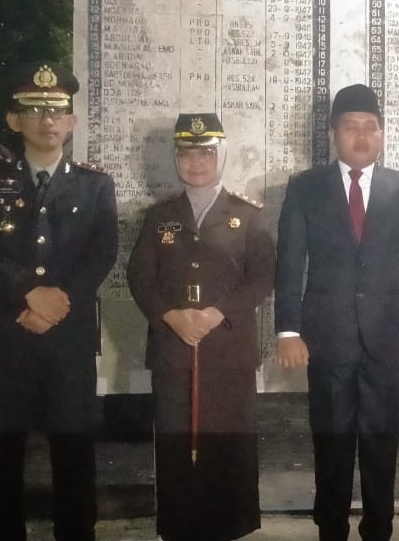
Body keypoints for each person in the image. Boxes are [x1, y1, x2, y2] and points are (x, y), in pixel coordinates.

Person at [0, 62, 117, 541]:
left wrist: (57, 304)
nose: (48, 120)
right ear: (14, 120)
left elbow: (102, 253)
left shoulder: (95, 185)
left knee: (74, 451)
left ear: (72, 121)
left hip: (68, 338)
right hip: (8, 332)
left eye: (57, 111)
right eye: (35, 110)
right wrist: (28, 293)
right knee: (3, 453)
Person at [274, 84, 399, 541]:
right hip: (327, 338)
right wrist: (288, 330)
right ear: (332, 134)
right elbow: (290, 262)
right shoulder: (305, 187)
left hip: (386, 338)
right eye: (350, 127)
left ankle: (379, 530)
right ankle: (331, 531)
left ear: (381, 134)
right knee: (331, 446)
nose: (361, 136)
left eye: (370, 127)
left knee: (382, 446)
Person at [127, 112, 274, 541]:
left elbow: (263, 277)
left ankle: (230, 529)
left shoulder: (248, 215)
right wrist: (171, 316)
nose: (196, 163)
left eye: (206, 153)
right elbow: (140, 277)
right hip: (174, 349)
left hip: (228, 349)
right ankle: (178, 530)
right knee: (177, 445)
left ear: (221, 156)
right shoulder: (159, 217)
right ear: (176, 158)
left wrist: (216, 313)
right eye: (187, 154)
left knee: (230, 444)